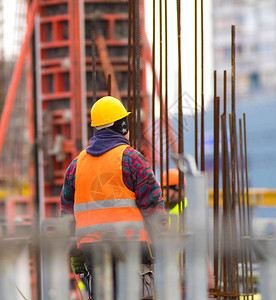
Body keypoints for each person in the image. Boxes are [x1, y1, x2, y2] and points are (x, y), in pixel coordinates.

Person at [60, 96, 166, 299]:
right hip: (133, 251)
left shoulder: (75, 166)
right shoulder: (131, 159)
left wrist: (75, 252)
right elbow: (153, 206)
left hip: (94, 253)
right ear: (122, 125)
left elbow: (66, 215)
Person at [162, 168, 214, 290]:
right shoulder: (162, 209)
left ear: (178, 189)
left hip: (186, 271)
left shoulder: (189, 210)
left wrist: (210, 276)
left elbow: (201, 246)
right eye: (162, 188)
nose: (163, 192)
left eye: (166, 188)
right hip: (167, 269)